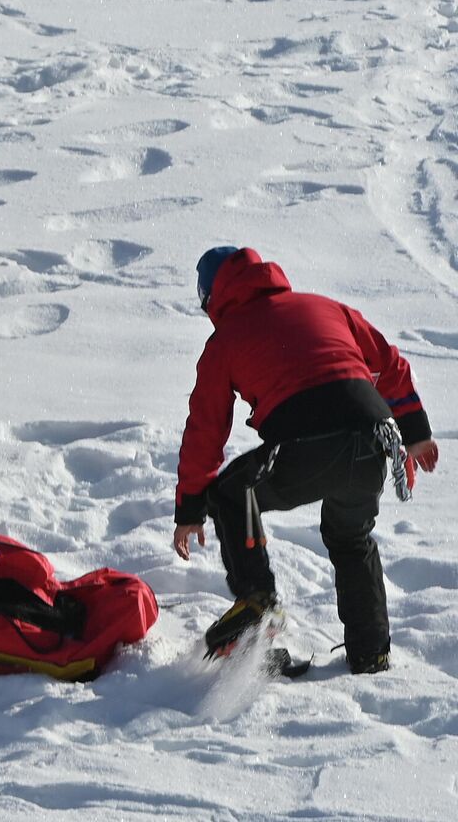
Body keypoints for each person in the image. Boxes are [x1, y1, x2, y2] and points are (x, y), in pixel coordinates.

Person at [171, 246, 438, 673]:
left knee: (230, 492)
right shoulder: (324, 306)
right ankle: (371, 654)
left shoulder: (226, 339)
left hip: (306, 441)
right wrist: (417, 433)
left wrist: (190, 509)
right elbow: (389, 364)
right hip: (373, 437)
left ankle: (258, 599)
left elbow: (206, 429)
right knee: (352, 539)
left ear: (212, 299)